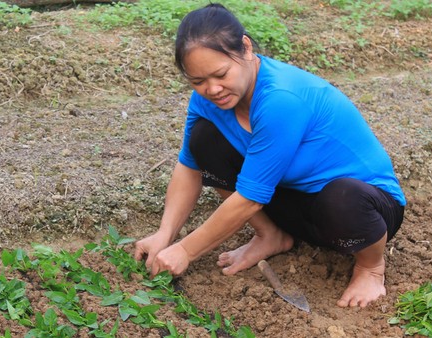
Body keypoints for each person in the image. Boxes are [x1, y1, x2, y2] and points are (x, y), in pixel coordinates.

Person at [134, 3, 406, 308]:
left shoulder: (280, 99)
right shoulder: (208, 100)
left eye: (221, 74)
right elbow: (189, 167)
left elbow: (251, 197)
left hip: (365, 212)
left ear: (247, 48)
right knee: (205, 139)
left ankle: (370, 267)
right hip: (299, 202)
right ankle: (271, 235)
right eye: (197, 82)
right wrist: (165, 234)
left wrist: (185, 250)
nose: (212, 89)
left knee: (341, 197)